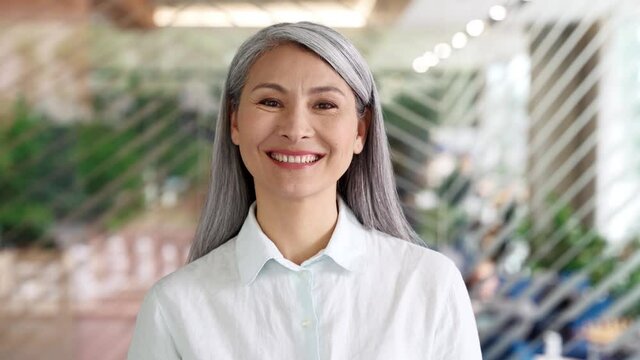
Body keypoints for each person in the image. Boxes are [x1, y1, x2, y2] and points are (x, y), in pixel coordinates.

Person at [128, 21, 482, 359]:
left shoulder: (429, 285)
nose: (296, 129)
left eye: (324, 105)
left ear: (361, 130)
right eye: (270, 102)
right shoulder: (174, 306)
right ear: (235, 121)